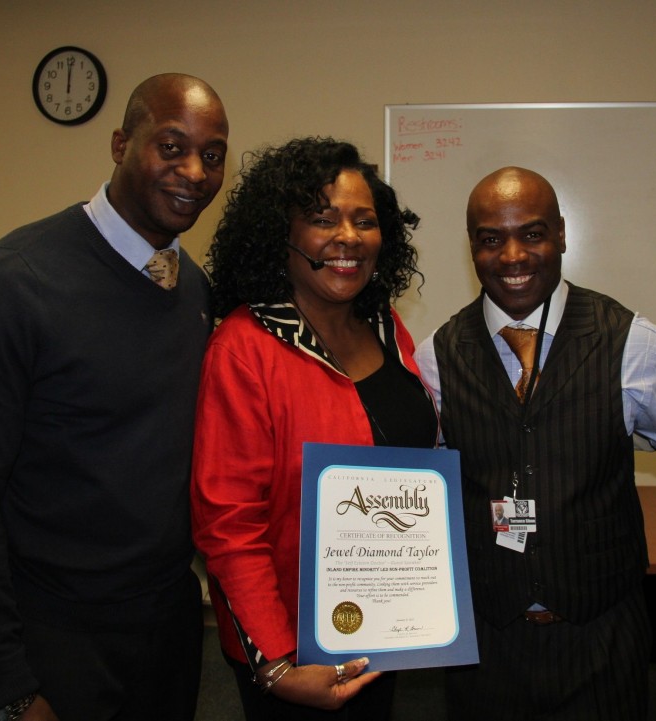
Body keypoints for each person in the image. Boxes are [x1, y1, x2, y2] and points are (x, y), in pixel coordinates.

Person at [0, 74, 229, 720]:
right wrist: (5, 685)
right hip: (50, 640)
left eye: (212, 155)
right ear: (118, 143)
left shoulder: (193, 290)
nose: (194, 170)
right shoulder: (8, 286)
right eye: (170, 145)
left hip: (168, 633)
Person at [414, 166, 656, 720]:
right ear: (472, 245)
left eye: (534, 233)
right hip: (487, 643)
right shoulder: (435, 357)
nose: (513, 256)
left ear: (563, 234)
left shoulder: (635, 345)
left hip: (602, 637)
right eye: (491, 239)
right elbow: (420, 494)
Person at [191, 137, 437, 720]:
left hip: (383, 629)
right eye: (323, 219)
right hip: (297, 653)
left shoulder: (387, 326)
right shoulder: (244, 347)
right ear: (283, 234)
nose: (347, 237)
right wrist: (276, 663)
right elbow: (227, 525)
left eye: (364, 220)